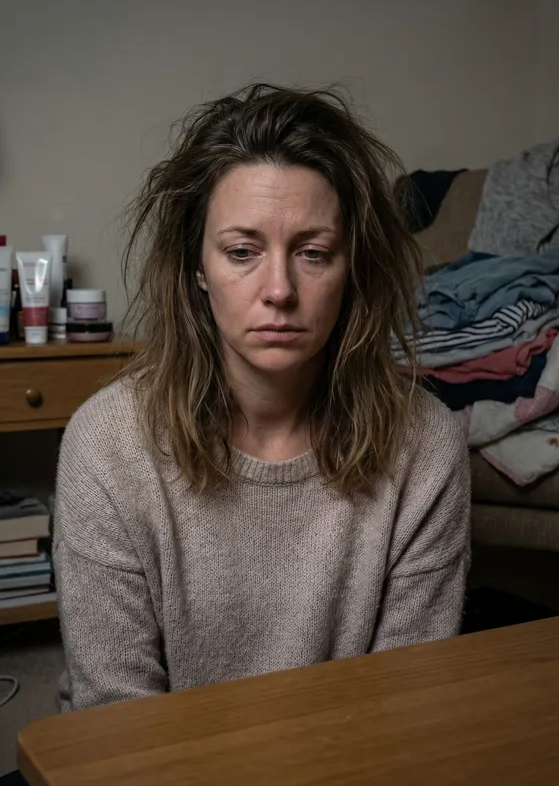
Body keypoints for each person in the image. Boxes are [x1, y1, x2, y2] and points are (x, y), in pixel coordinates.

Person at [54, 83, 470, 713]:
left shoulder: (426, 443)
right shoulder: (107, 445)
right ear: (198, 268)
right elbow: (119, 720)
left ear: (351, 267)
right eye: (242, 252)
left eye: (313, 253)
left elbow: (407, 711)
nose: (279, 289)